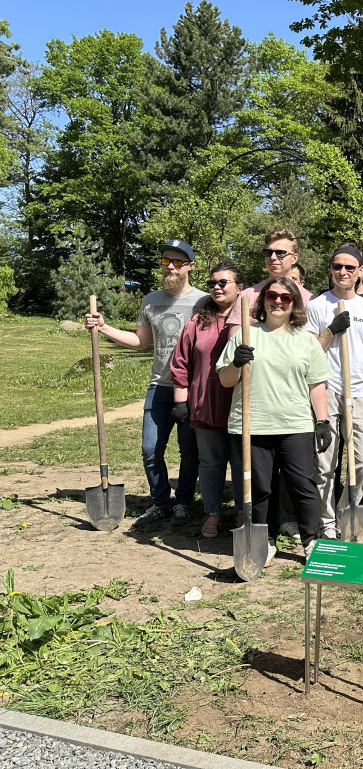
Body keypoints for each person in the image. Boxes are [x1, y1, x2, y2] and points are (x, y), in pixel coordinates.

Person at [84, 239, 207, 528]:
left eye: (177, 262)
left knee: (190, 452)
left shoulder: (203, 301)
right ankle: (162, 503)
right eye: (166, 261)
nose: (170, 267)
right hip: (159, 387)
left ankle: (184, 503)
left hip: (191, 390)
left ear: (190, 266)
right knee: (150, 449)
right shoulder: (151, 300)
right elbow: (140, 341)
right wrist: (103, 327)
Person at [217, 277, 332, 563]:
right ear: (263, 299)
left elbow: (316, 384)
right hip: (252, 425)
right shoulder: (244, 336)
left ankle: (310, 540)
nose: (278, 301)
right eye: (272, 295)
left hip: (295, 425)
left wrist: (323, 421)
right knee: (260, 487)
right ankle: (265, 540)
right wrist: (237, 363)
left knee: (302, 484)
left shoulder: (305, 341)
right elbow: (226, 381)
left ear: (294, 304)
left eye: (285, 297)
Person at [304, 245, 363, 540]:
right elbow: (311, 352)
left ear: (361, 270)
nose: (343, 272)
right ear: (331, 269)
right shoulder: (317, 306)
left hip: (361, 393)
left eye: (350, 267)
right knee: (325, 464)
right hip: (327, 390)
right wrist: (331, 330)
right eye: (338, 266)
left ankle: (345, 511)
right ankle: (327, 523)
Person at [169, 261, 244, 538]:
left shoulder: (251, 322)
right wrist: (180, 402)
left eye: (223, 282)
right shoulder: (197, 322)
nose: (216, 287)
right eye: (212, 283)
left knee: (241, 463)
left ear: (240, 288)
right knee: (210, 464)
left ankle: (241, 512)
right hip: (205, 405)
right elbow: (180, 363)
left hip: (240, 406)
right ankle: (212, 513)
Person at [227, 229, 314, 331]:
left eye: (280, 253)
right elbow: (234, 338)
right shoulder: (247, 296)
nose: (272, 257)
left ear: (294, 258)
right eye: (268, 252)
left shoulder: (309, 300)